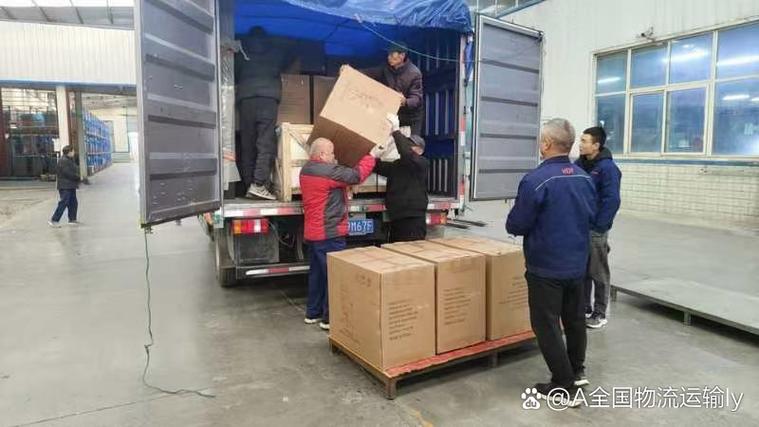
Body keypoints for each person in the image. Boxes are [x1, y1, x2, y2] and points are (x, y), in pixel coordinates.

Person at [506, 118, 597, 403]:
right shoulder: (584, 178)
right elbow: (593, 216)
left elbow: (517, 224)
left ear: (546, 144)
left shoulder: (536, 180)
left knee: (546, 324)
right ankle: (577, 372)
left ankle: (564, 385)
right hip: (577, 263)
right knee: (574, 320)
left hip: (546, 266)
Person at [299, 138, 377, 331]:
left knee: (317, 276)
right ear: (322, 154)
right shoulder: (326, 171)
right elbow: (356, 175)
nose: (335, 157)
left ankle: (313, 313)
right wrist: (371, 156)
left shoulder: (307, 169)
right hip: (329, 233)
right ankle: (329, 319)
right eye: (332, 153)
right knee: (335, 277)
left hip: (315, 233)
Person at [236, 26, 295, 200]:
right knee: (265, 142)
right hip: (267, 100)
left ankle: (249, 185)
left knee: (247, 143)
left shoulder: (242, 54)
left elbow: (235, 73)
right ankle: (259, 184)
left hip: (246, 99)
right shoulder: (276, 53)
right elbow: (291, 60)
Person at [576, 126, 622, 329]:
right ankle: (584, 307)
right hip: (580, 226)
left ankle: (600, 312)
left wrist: (599, 226)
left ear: (596, 145)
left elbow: (612, 200)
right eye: (580, 140)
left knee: (598, 271)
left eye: (584, 141)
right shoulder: (580, 164)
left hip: (596, 229)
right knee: (583, 270)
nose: (580, 144)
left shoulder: (607, 168)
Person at [375, 114, 429, 242]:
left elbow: (406, 154)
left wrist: (395, 130)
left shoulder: (421, 163)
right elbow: (377, 166)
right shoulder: (397, 165)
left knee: (412, 250)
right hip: (397, 217)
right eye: (407, 144)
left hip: (413, 218)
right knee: (396, 248)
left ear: (420, 151)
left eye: (412, 145)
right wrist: (371, 154)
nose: (408, 147)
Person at [361, 43, 424, 135]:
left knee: (411, 143)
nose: (388, 57)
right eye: (388, 54)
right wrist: (349, 70)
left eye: (391, 55)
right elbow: (370, 72)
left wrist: (405, 101)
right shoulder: (385, 68)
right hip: (394, 115)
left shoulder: (414, 73)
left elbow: (417, 99)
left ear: (402, 56)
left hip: (411, 118)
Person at [49, 145, 81, 227]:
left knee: (73, 202)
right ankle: (54, 220)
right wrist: (78, 178)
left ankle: (72, 219)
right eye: (73, 151)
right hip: (65, 186)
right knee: (63, 203)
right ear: (69, 152)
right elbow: (68, 173)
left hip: (70, 185)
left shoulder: (69, 159)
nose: (74, 153)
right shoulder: (63, 161)